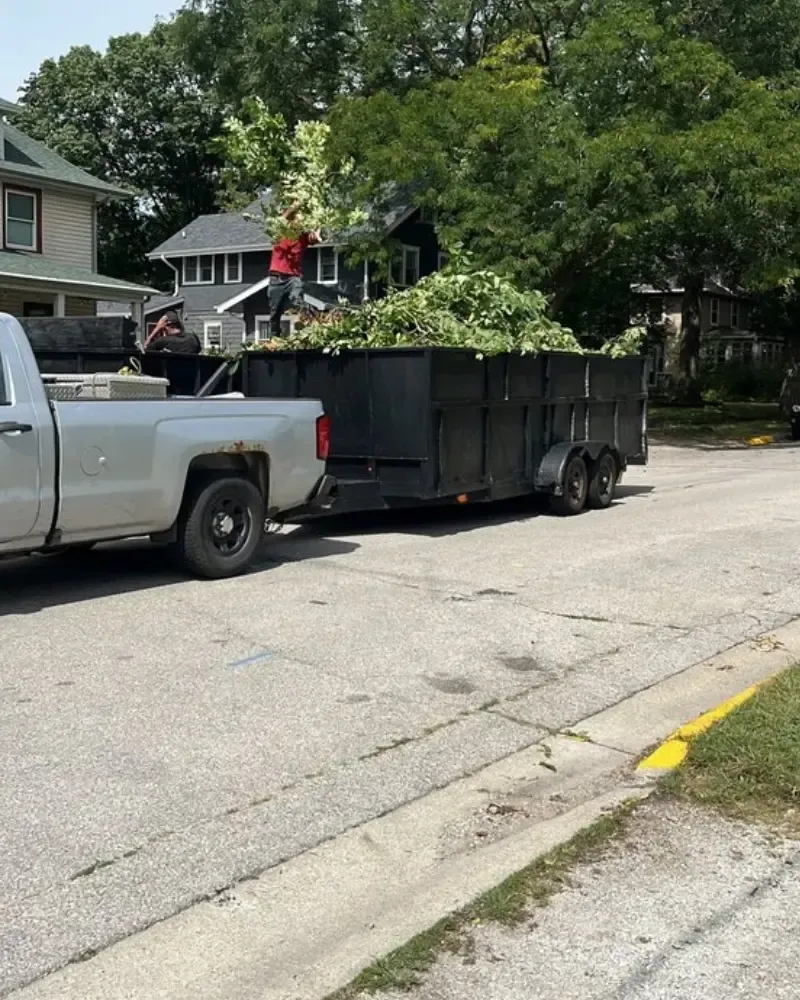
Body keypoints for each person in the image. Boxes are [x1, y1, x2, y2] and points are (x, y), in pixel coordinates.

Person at [267, 205, 321, 337]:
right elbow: (283, 218)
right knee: (275, 312)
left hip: (293, 277)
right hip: (276, 278)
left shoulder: (303, 236)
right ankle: (275, 337)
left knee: (296, 297)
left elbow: (314, 239)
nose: (299, 222)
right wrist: (297, 204)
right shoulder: (280, 231)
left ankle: (306, 320)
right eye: (297, 219)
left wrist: (318, 233)